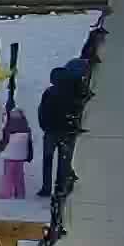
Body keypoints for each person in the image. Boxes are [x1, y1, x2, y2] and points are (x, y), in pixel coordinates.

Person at [36, 66, 80, 197]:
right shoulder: (72, 93)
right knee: (64, 161)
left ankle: (46, 188)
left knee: (47, 161)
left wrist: (44, 126)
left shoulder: (49, 92)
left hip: (51, 132)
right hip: (67, 132)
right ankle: (60, 186)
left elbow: (42, 111)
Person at [0, 106, 33, 198]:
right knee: (19, 175)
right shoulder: (26, 128)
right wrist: (29, 155)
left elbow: (5, 141)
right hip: (21, 156)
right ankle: (20, 193)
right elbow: (29, 143)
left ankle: (6, 193)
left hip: (10, 155)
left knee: (8, 175)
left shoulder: (9, 127)